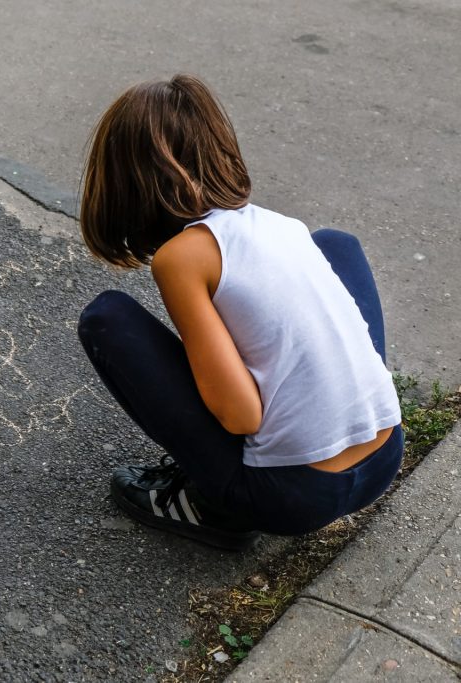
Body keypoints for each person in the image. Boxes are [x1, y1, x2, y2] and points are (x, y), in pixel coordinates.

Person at [76, 74, 403, 551]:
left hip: (293, 498)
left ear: (124, 182)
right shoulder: (282, 226)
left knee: (106, 317)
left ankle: (212, 511)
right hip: (384, 458)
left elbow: (240, 415)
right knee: (334, 244)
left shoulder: (182, 258)